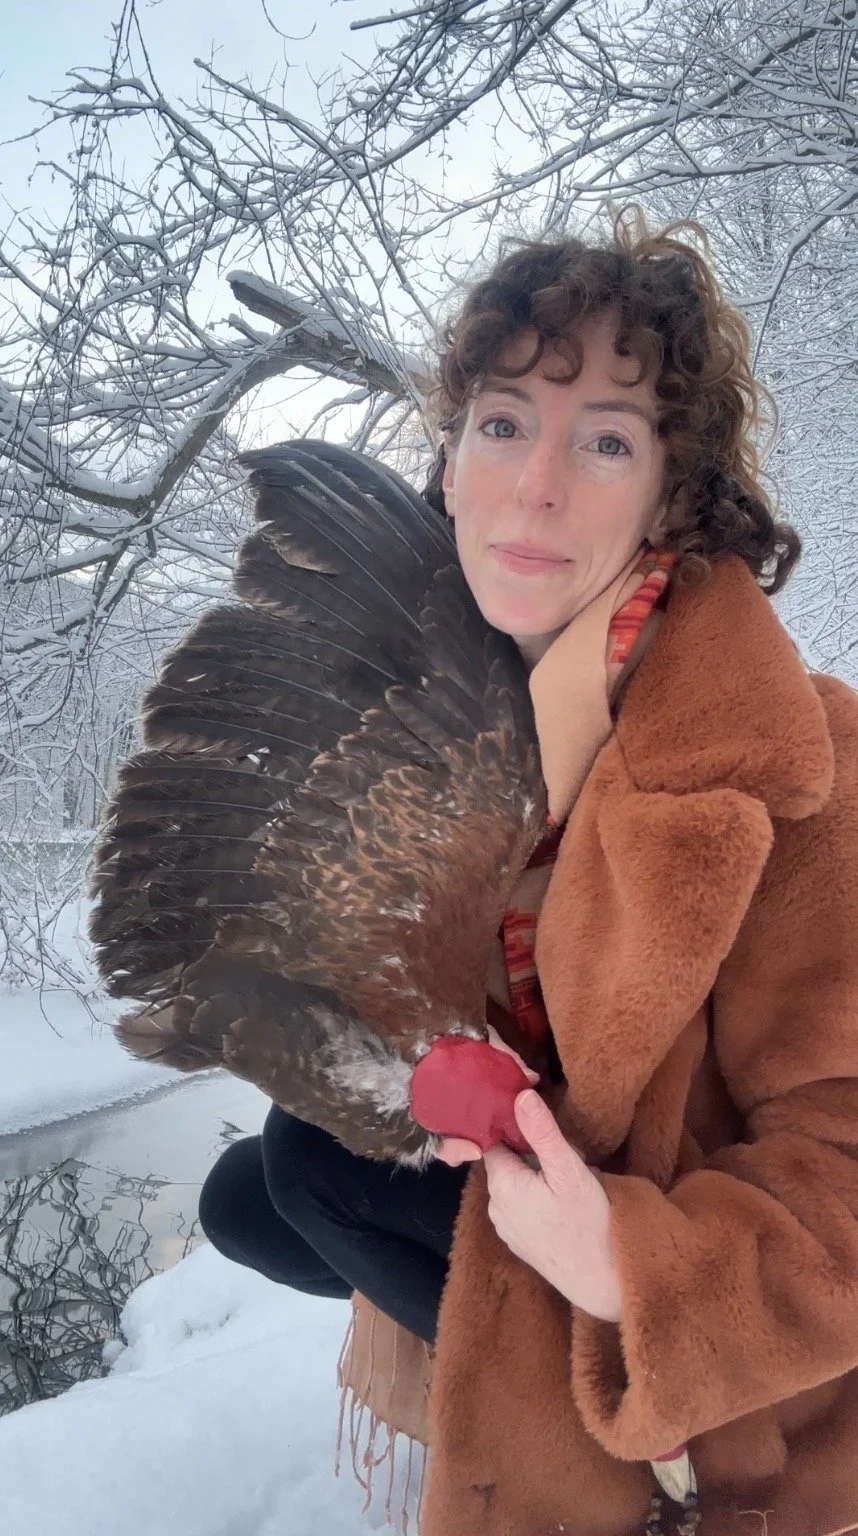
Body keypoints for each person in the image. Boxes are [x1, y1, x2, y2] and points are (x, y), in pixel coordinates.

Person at [199, 210, 858, 1536]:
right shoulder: (451, 730)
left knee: (306, 1173)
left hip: (732, 1361)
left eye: (604, 440)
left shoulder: (807, 769)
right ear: (450, 465)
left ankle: (617, 1450)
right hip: (539, 1178)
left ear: (671, 495)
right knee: (252, 1196)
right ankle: (497, 1361)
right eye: (503, 424)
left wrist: (628, 1271)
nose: (535, 485)